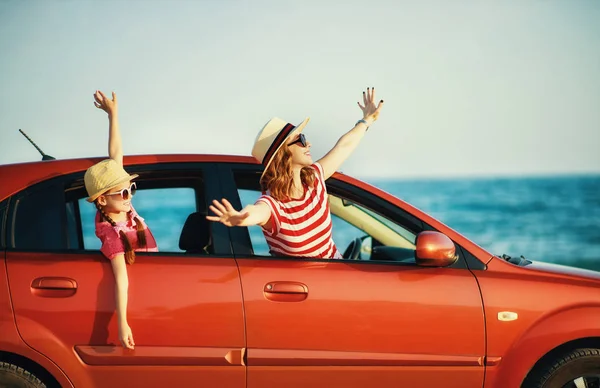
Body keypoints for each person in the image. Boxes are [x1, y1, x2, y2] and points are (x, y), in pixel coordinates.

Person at [207, 87, 384, 259]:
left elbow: (344, 146)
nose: (308, 144)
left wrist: (367, 120)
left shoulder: (314, 180)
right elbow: (258, 212)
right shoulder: (274, 205)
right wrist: (241, 218)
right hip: (306, 286)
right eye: (301, 139)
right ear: (283, 154)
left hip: (336, 276)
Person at [84, 90, 158, 349]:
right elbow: (121, 280)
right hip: (147, 297)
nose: (129, 196)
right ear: (102, 199)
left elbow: (116, 156)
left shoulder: (121, 208)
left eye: (131, 189)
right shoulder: (113, 233)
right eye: (124, 192)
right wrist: (121, 323)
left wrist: (113, 115)